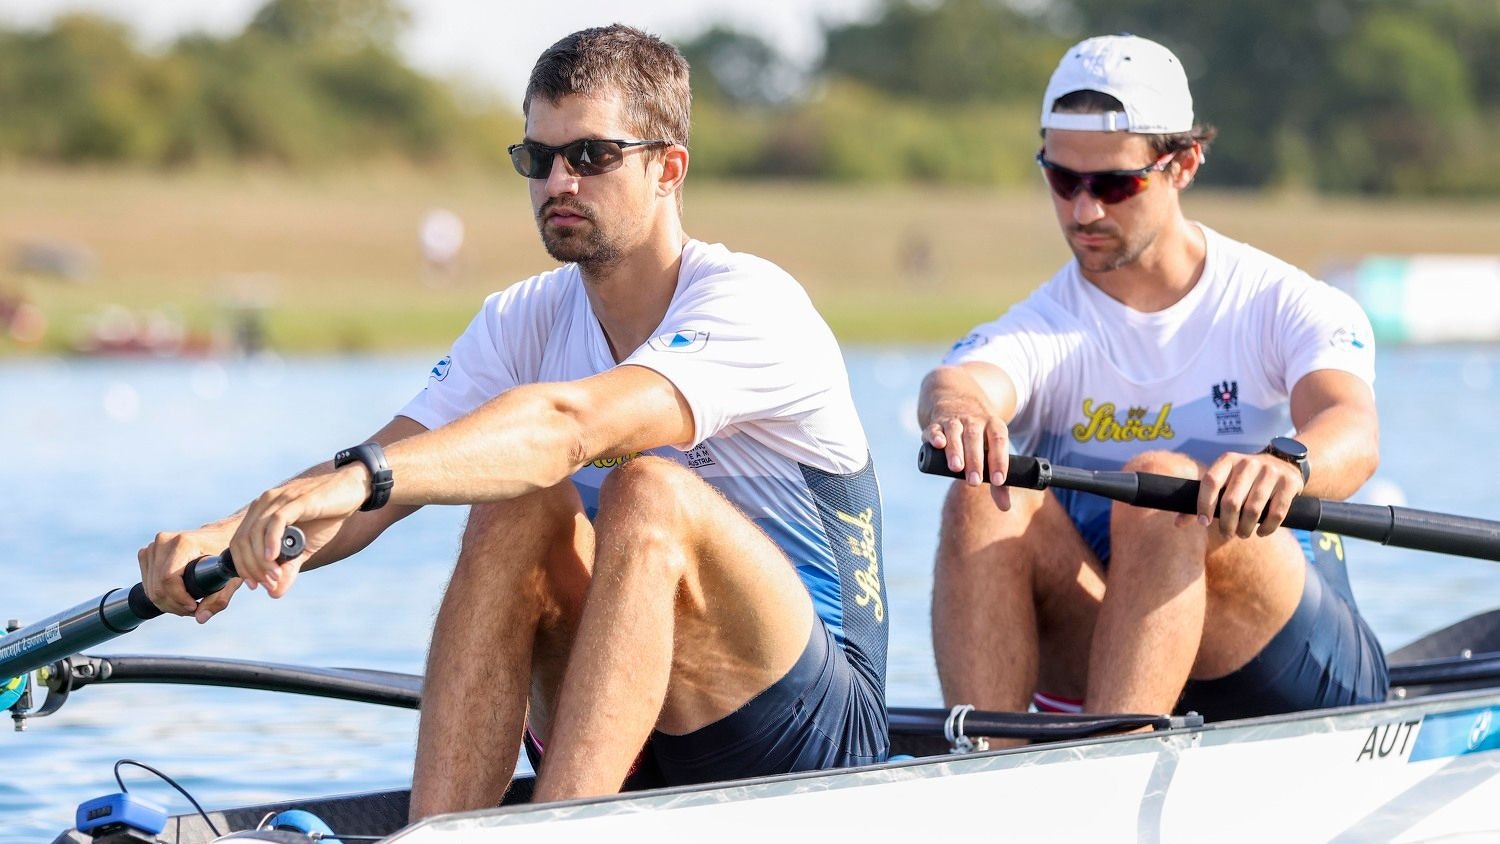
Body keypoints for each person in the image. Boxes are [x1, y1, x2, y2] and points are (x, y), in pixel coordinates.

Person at [139, 24, 888, 819]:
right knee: (515, 501)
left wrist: (366, 477)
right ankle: (443, 829)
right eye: (538, 158)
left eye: (592, 156)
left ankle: (558, 830)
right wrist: (228, 534)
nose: (559, 181)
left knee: (648, 491)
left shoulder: (752, 304)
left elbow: (568, 426)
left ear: (669, 168)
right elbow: (380, 482)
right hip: (628, 713)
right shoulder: (519, 319)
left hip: (809, 732)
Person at [918, 34, 1388, 725]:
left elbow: (1353, 426)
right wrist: (959, 410)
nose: (1083, 211)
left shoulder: (1282, 304)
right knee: (985, 493)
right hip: (1114, 653)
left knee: (1163, 484)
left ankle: (1110, 770)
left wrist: (1287, 463)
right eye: (1061, 179)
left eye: (1113, 184)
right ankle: (990, 769)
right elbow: (959, 381)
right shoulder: (1047, 325)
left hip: (1292, 662)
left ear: (1184, 164)